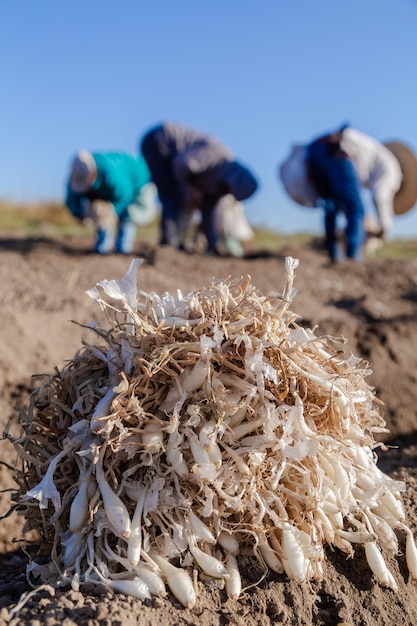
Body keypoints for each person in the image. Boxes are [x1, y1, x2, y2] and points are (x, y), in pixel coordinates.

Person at [279, 125, 405, 262]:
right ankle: (352, 258)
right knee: (356, 209)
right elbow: (381, 195)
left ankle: (333, 253)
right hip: (339, 151)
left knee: (331, 204)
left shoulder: (377, 153)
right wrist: (384, 228)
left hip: (316, 151)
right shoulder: (393, 172)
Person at [139, 122, 259, 254]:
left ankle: (206, 246)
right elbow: (181, 164)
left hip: (178, 163)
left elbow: (208, 213)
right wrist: (187, 188)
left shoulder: (218, 187)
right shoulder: (217, 157)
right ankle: (168, 248)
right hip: (161, 140)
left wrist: (213, 246)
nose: (227, 194)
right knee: (172, 196)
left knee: (196, 202)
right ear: (234, 181)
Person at [65, 150, 156, 254]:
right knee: (101, 212)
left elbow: (125, 196)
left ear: (92, 174)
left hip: (137, 183)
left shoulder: (111, 174)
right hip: (115, 189)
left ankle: (123, 249)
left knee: (126, 214)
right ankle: (102, 248)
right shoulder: (78, 173)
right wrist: (79, 214)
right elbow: (71, 199)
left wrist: (112, 211)